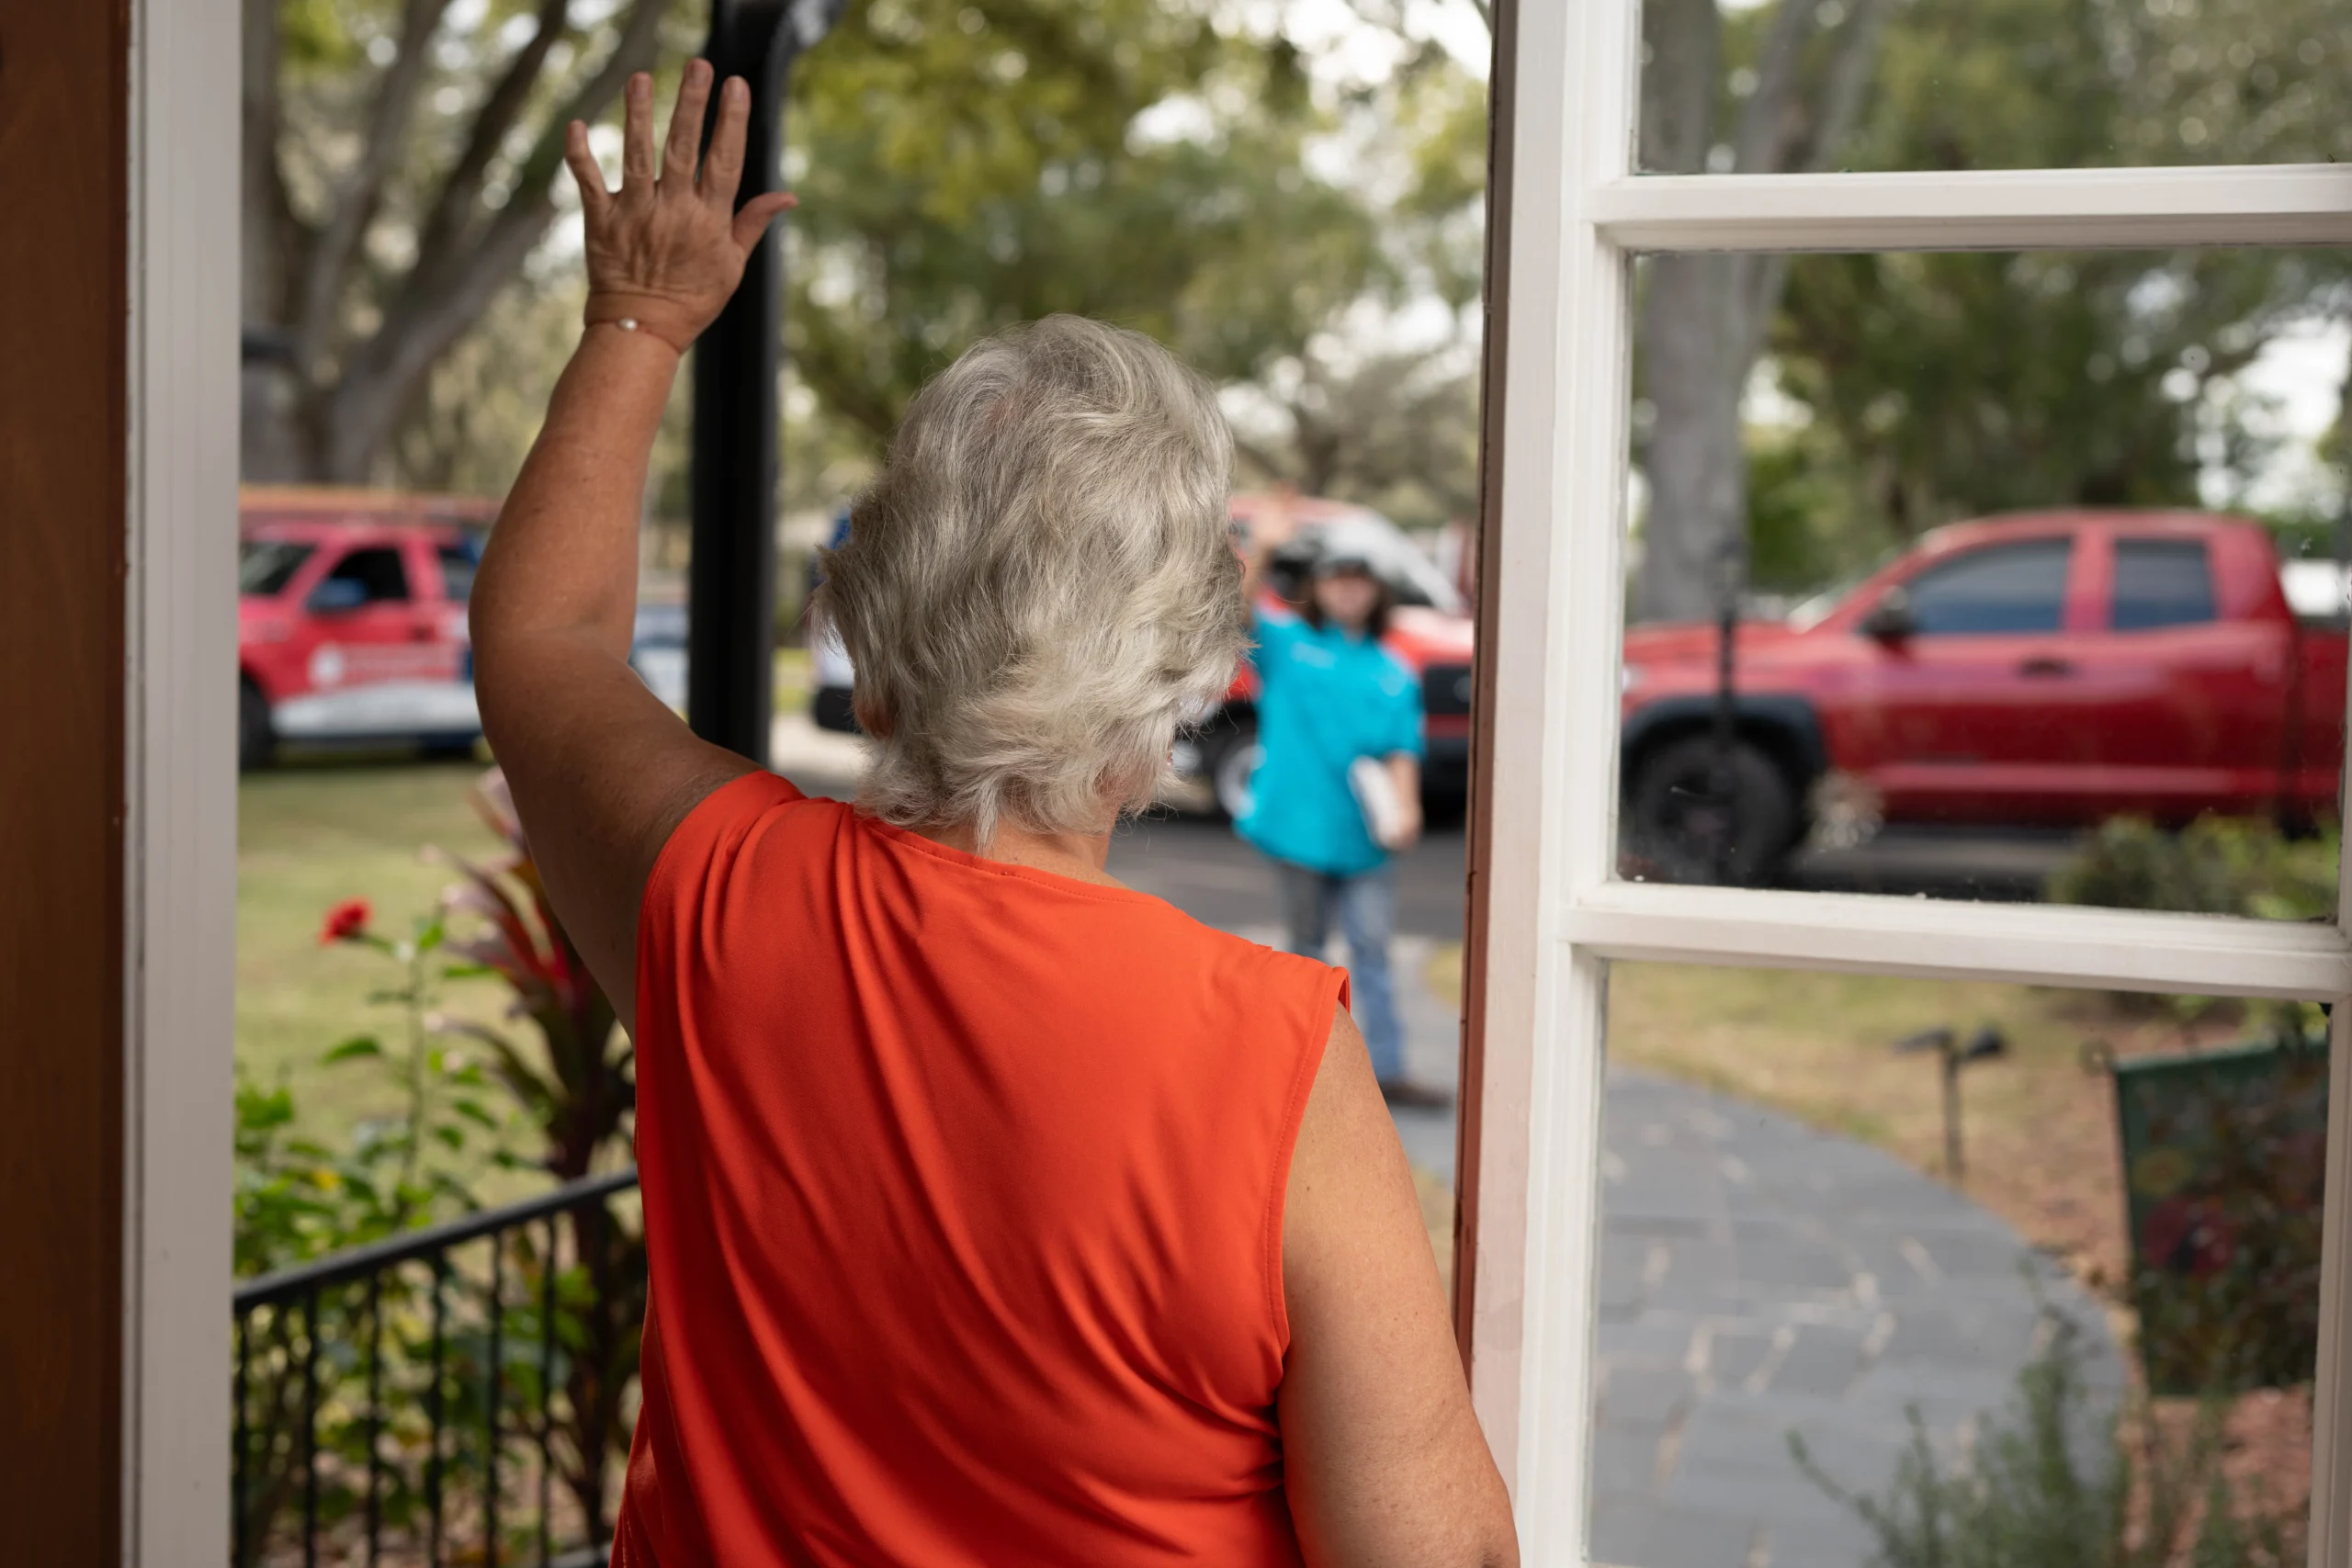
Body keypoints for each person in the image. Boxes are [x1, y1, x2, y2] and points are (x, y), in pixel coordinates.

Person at [469, 62, 1516, 1568]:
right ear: (1178, 697)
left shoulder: (715, 900)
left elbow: (542, 643)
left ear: (868, 648)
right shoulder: (1272, 1059)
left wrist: (639, 320)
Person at [1237, 520, 1447, 1109]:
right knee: (1306, 949)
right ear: (1320, 587)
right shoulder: (1286, 645)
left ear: (1378, 592)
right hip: (1297, 827)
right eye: (1339, 580)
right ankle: (1311, 1072)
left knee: (1372, 947)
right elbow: (1238, 606)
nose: (1350, 592)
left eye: (1361, 582)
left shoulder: (1392, 670)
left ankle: (1389, 1070)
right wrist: (1268, 546)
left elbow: (1401, 749)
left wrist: (1406, 806)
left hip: (1364, 837)